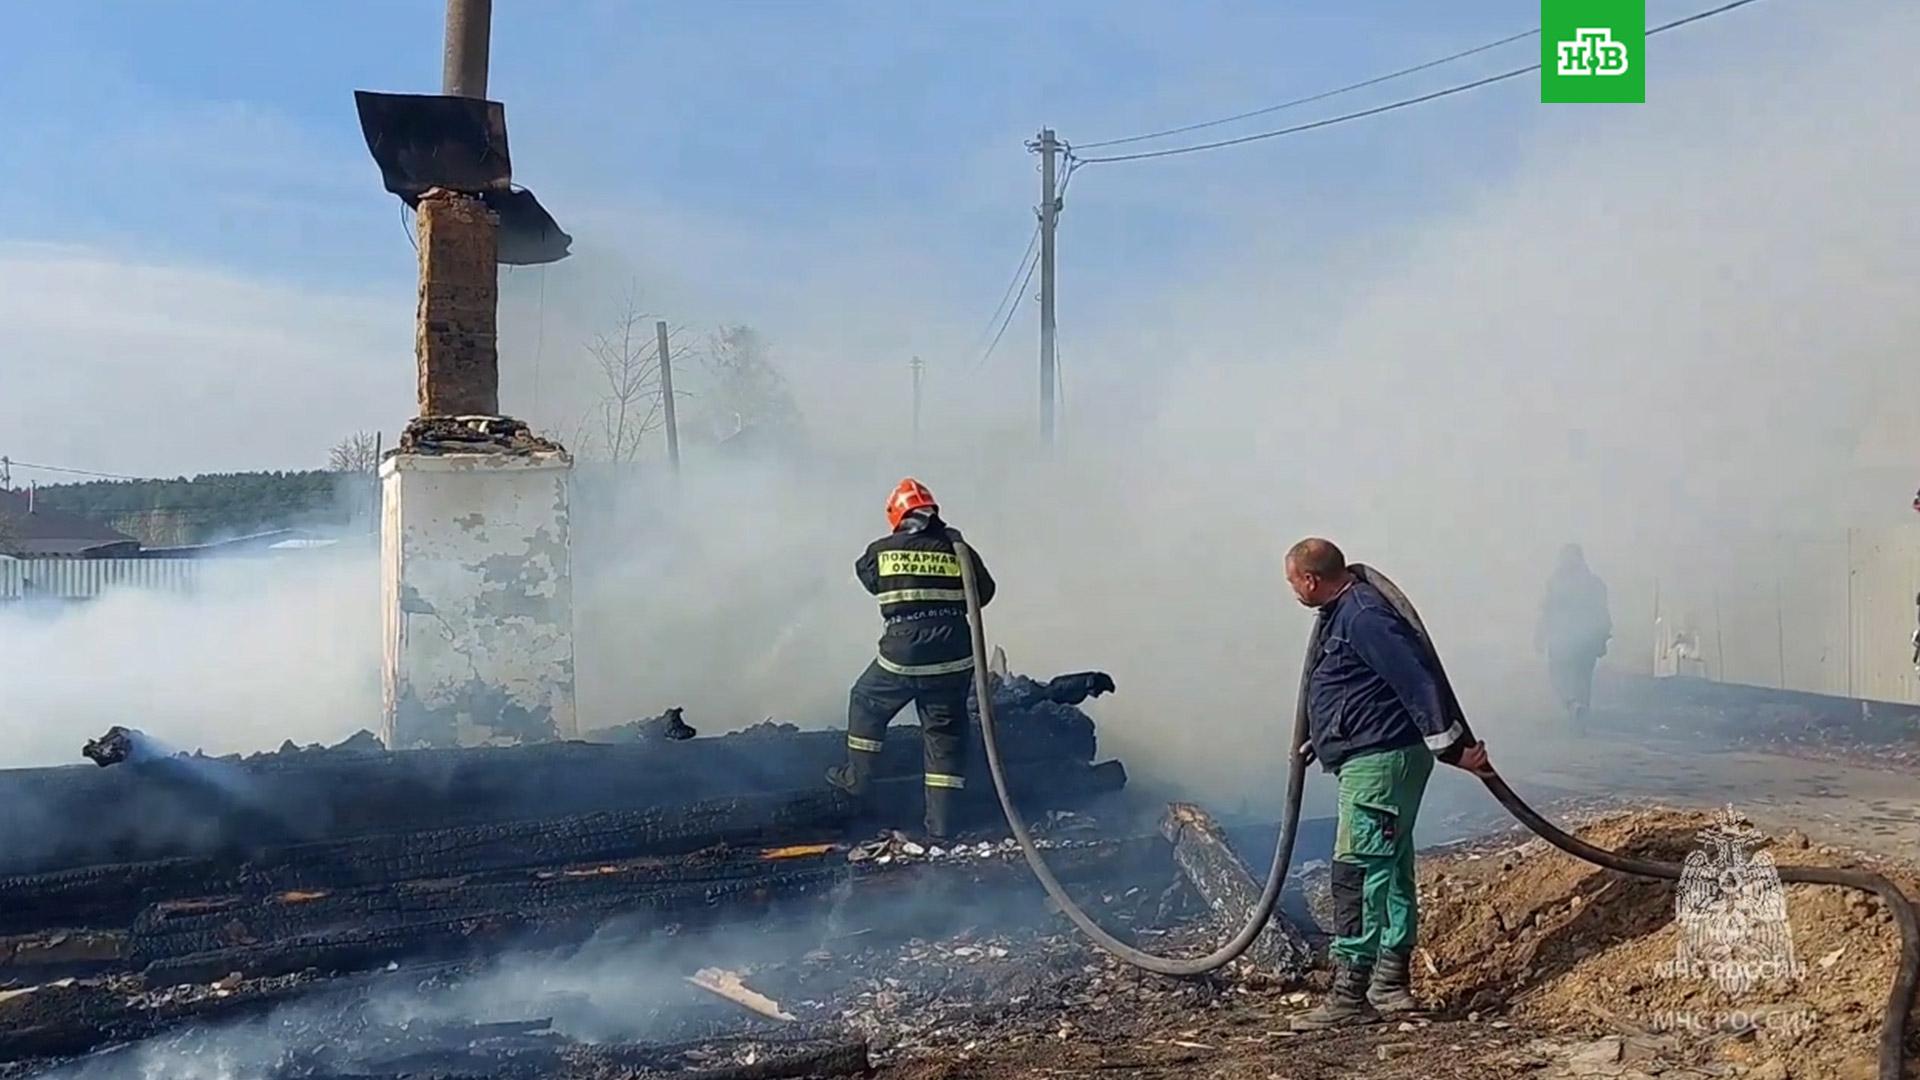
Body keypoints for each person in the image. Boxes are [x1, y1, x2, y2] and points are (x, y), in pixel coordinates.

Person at [1283, 538, 1491, 1030]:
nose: (1291, 591)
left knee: (1356, 871)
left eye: (1292, 582)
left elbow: (1416, 681)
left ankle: (1351, 994)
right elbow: (1360, 687)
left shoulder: (1364, 616)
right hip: (1371, 755)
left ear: (1311, 580)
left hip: (1379, 765)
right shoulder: (1343, 612)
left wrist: (1452, 748)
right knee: (1391, 868)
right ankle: (1390, 984)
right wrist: (1327, 736)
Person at [827, 478, 995, 839]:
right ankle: (942, 826)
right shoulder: (959, 549)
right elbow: (985, 594)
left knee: (867, 700)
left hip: (902, 654)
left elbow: (869, 579)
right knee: (944, 736)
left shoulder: (880, 551)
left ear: (896, 516)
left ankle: (856, 779)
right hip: (953, 656)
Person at [1535, 543, 1611, 726]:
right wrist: (1603, 638)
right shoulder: (1595, 583)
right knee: (1584, 678)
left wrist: (1540, 635)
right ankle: (1580, 713)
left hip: (1562, 640)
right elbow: (1603, 613)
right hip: (1587, 640)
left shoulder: (1555, 582)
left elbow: (1547, 611)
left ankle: (1572, 705)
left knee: (1558, 675)